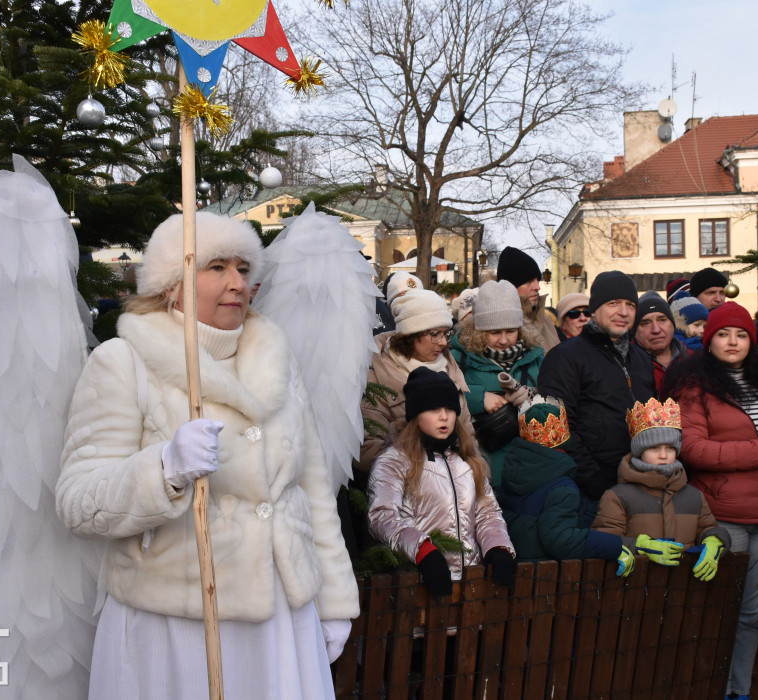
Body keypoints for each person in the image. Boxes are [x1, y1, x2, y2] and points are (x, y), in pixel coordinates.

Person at [56, 212, 360, 699]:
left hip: (281, 617)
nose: (238, 282)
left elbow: (311, 488)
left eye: (244, 267)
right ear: (172, 283)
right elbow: (78, 501)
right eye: (217, 267)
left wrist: (334, 599)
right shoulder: (123, 362)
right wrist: (163, 469)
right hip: (177, 622)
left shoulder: (278, 359)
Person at [663, 302, 758, 700]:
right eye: (723, 333)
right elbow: (694, 449)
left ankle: (738, 691)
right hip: (723, 516)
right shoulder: (694, 387)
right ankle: (702, 687)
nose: (733, 341)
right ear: (708, 338)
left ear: (751, 339)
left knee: (751, 613)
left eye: (742, 334)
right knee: (716, 610)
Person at [367, 367, 517, 597]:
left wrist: (498, 549)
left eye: (449, 409)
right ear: (416, 414)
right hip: (420, 585)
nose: (444, 416)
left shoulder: (467, 461)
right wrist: (423, 551)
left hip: (471, 588)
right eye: (433, 409)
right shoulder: (394, 461)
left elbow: (488, 513)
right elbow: (382, 516)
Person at [537, 271, 655, 520]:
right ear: (595, 309)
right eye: (613, 303)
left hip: (641, 483)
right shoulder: (566, 357)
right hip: (589, 493)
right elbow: (557, 428)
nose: (623, 312)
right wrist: (595, 483)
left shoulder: (642, 359)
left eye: (630, 305)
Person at [591, 397, 731, 580]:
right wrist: (640, 545)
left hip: (683, 587)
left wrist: (715, 541)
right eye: (654, 448)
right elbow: (604, 540)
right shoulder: (617, 496)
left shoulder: (694, 496)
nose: (663, 455)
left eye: (670, 448)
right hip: (634, 587)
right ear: (640, 451)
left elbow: (708, 527)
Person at [499, 397, 634, 575]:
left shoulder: (511, 473)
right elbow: (561, 540)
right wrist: (615, 547)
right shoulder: (562, 487)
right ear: (564, 438)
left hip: (514, 573)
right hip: (545, 579)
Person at [359, 287, 473, 473]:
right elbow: (368, 450)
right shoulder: (378, 373)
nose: (444, 342)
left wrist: (476, 478)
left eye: (446, 333)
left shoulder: (449, 367)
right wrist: (429, 475)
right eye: (435, 334)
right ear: (411, 334)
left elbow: (469, 436)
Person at [449, 280, 544, 487]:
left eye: (511, 331)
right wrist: (478, 397)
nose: (503, 340)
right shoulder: (458, 358)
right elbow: (442, 396)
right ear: (479, 331)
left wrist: (533, 397)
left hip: (531, 469)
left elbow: (557, 400)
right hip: (482, 468)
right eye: (494, 332)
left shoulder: (536, 356)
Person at [496, 246, 560, 352]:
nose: (537, 287)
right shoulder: (496, 324)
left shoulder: (547, 322)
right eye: (529, 281)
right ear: (511, 286)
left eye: (537, 280)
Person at [632, 291, 687, 395]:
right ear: (634, 332)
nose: (656, 329)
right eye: (645, 323)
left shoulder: (696, 360)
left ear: (673, 325)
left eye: (662, 320)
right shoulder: (625, 367)